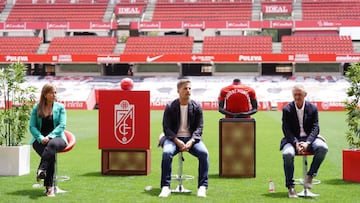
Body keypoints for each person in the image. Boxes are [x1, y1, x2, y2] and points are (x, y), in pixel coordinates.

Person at [159, 79, 209, 198]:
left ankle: (202, 187)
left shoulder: (196, 107)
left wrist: (192, 141)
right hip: (173, 139)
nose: (188, 91)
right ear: (178, 91)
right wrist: (177, 141)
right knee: (166, 153)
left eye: (189, 88)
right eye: (185, 88)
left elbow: (199, 127)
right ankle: (165, 187)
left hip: (192, 139)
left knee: (204, 153)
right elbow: (166, 128)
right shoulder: (170, 106)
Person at [280, 84, 328, 198]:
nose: (297, 97)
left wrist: (308, 143)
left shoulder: (313, 108)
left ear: (305, 95)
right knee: (287, 154)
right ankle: (290, 187)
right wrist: (296, 142)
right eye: (295, 94)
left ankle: (310, 175)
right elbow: (286, 129)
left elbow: (316, 128)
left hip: (309, 140)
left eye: (299, 94)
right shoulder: (287, 109)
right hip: (292, 140)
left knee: (323, 148)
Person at [29, 83, 68, 197]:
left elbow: (62, 125)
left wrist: (49, 137)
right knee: (50, 156)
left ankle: (42, 171)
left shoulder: (60, 107)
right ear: (45, 94)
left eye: (55, 92)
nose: (54, 95)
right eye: (51, 93)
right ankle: (49, 187)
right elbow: (32, 126)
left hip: (58, 138)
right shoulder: (37, 108)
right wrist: (41, 138)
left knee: (50, 146)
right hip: (39, 139)